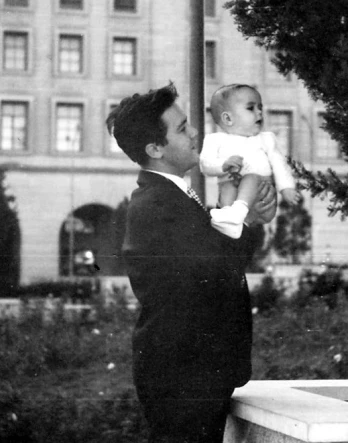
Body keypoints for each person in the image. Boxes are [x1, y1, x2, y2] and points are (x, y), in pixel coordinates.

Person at [106, 83, 276, 443]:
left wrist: (240, 217)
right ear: (155, 148)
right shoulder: (157, 204)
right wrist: (244, 219)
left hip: (189, 375)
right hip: (184, 380)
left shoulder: (169, 197)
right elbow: (212, 269)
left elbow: (207, 253)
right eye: (182, 129)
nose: (196, 132)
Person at [200, 84, 301, 238]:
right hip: (232, 195)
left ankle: (237, 213)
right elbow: (205, 165)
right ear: (228, 118)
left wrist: (286, 188)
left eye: (260, 107)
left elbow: (279, 163)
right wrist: (223, 165)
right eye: (251, 108)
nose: (259, 112)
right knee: (228, 186)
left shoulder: (266, 139)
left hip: (263, 196)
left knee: (250, 178)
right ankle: (230, 220)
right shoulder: (215, 140)